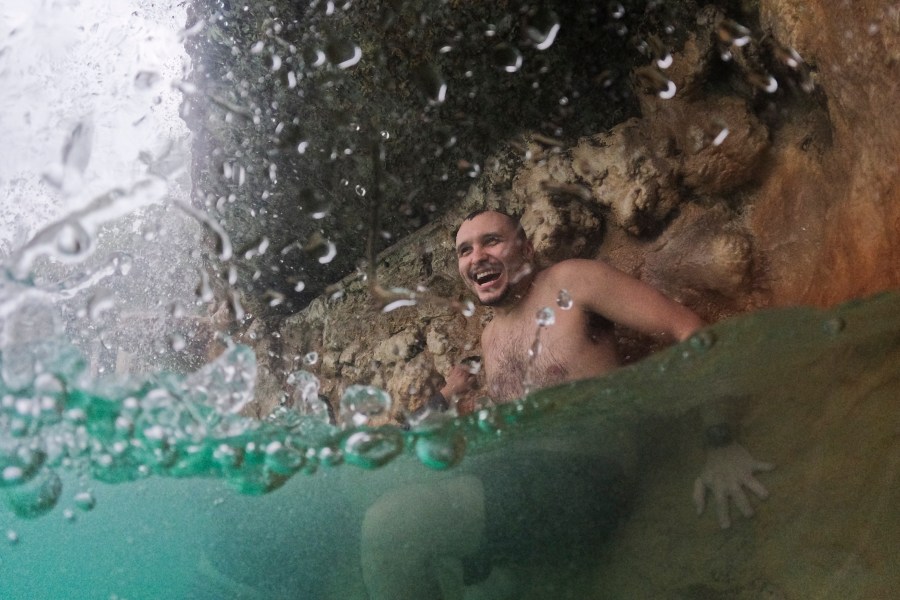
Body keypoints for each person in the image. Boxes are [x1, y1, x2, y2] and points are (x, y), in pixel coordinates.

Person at [361, 209, 773, 599]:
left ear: (526, 249)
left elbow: (688, 329)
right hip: (522, 483)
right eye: (465, 250)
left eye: (491, 242)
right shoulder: (491, 338)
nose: (477, 257)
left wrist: (720, 439)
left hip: (588, 481)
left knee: (389, 526)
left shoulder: (573, 282)